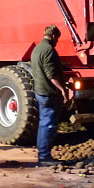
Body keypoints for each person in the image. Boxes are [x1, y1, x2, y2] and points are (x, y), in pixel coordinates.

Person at [30, 25, 68, 166]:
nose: (57, 41)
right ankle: (44, 157)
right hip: (48, 93)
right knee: (49, 125)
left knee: (43, 123)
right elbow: (51, 74)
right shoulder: (49, 50)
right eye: (57, 38)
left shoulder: (37, 49)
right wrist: (62, 89)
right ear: (53, 36)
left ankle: (42, 153)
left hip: (40, 92)